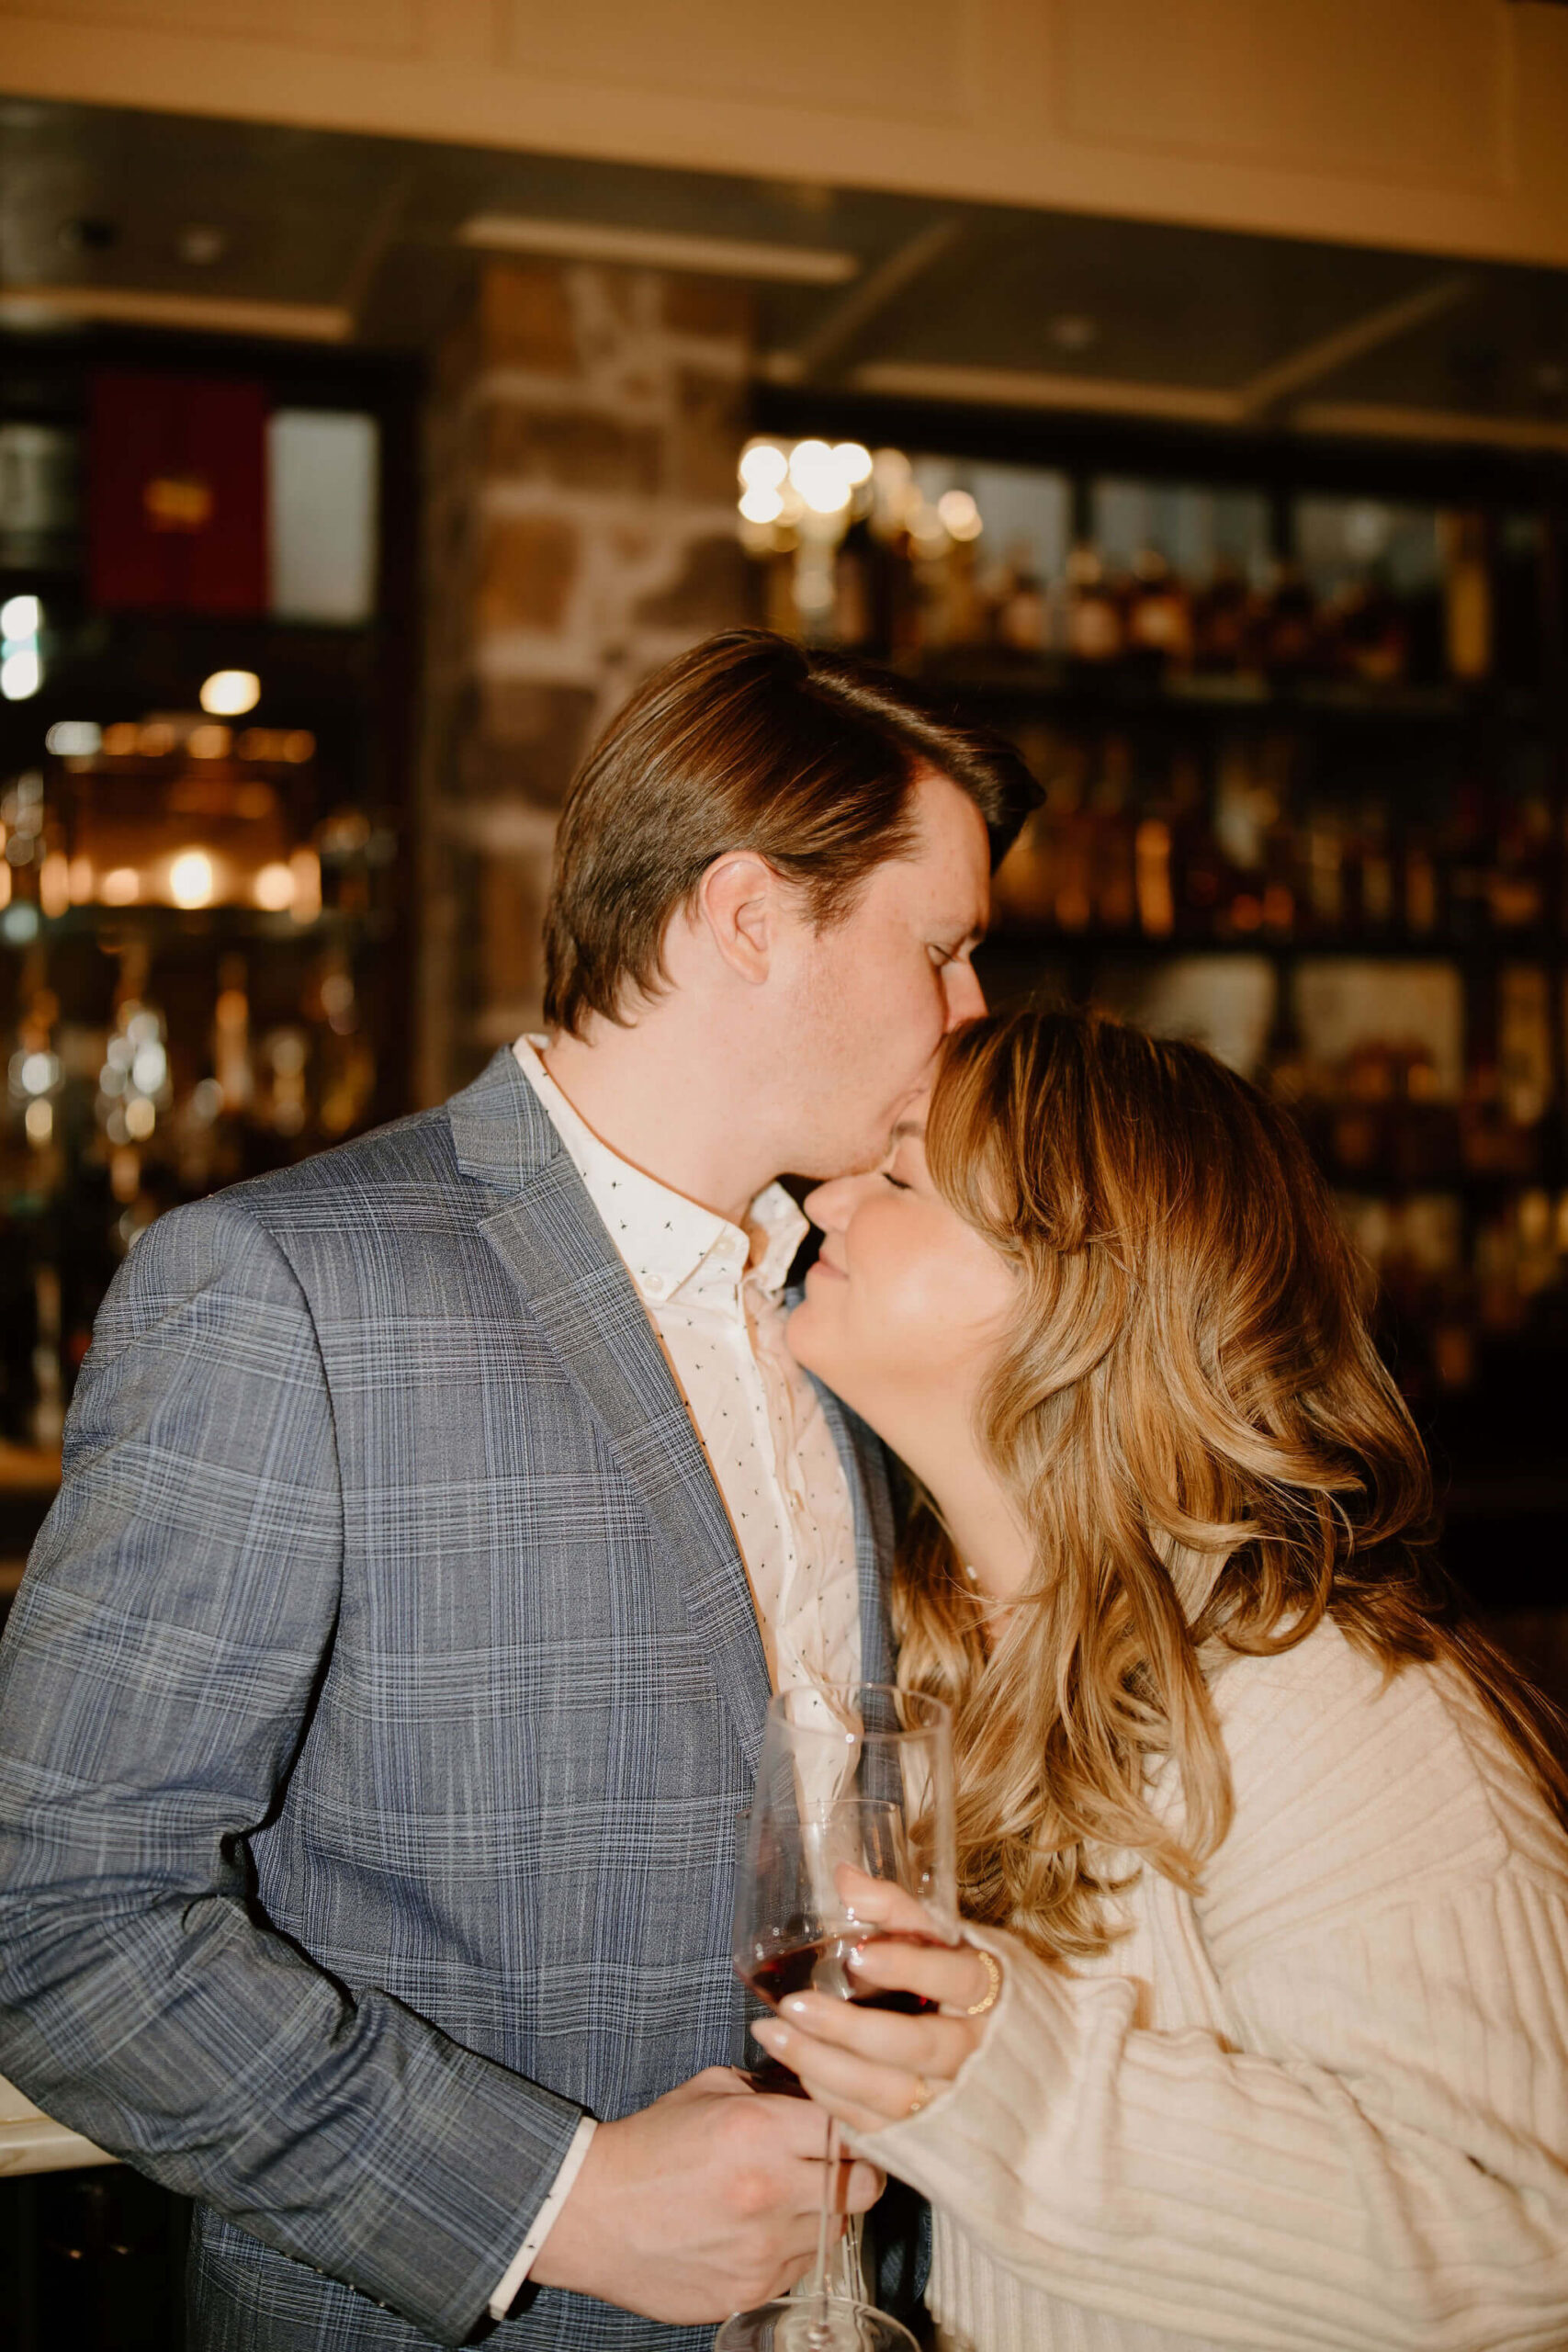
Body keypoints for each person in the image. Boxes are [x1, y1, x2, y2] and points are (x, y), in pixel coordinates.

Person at [0, 630, 1038, 2352]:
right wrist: (559, 2199)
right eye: (940, 948)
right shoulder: (285, 1290)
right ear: (747, 917)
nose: (970, 1011)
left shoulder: (859, 1308)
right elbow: (52, 1907)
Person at [765, 1005, 1568, 2352]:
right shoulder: (908, 1643)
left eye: (899, 1176)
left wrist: (1009, 2094)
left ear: (1076, 1292)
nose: (825, 1196)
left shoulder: (1322, 1703)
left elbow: (1529, 2235)